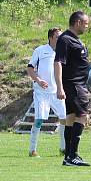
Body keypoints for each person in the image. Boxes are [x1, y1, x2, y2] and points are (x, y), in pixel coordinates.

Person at [54, 11, 91, 167]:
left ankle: (68, 157)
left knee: (70, 119)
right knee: (82, 117)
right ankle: (73, 155)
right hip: (74, 86)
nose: (87, 26)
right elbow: (58, 63)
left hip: (77, 85)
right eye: (86, 23)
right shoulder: (65, 39)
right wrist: (59, 87)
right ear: (77, 22)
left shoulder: (74, 40)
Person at [26, 27, 66, 157]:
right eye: (57, 37)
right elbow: (30, 69)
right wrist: (38, 80)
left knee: (64, 119)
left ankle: (63, 148)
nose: (60, 40)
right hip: (41, 92)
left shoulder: (63, 52)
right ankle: (32, 150)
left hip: (57, 91)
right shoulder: (40, 50)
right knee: (39, 120)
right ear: (50, 38)